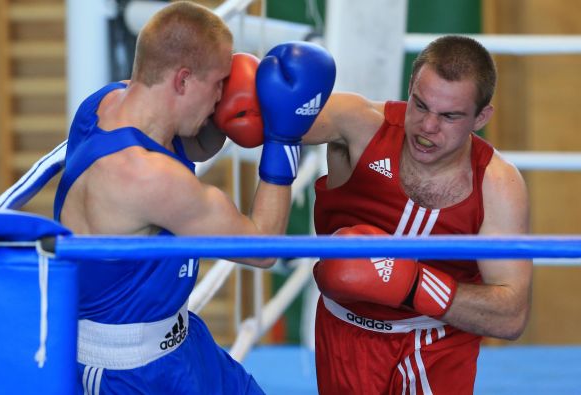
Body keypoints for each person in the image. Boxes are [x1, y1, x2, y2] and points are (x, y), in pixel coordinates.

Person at [52, 1, 335, 394]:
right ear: (182, 81)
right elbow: (263, 245)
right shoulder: (148, 179)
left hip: (182, 340)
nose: (222, 97)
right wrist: (282, 138)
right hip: (132, 374)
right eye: (221, 83)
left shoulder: (107, 103)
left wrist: (242, 103)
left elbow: (193, 146)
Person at [303, 35, 531, 394]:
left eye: (450, 116)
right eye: (420, 105)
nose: (427, 126)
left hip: (440, 342)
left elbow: (511, 315)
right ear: (408, 90)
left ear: (481, 117)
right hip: (345, 335)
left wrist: (414, 285)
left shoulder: (496, 184)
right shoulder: (359, 126)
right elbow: (267, 122)